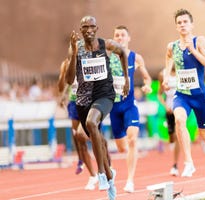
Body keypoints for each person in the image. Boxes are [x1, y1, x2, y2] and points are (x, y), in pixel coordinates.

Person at [64, 16, 129, 200]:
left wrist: (127, 79)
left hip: (104, 95)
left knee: (92, 123)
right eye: (85, 27)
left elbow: (122, 53)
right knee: (97, 139)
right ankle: (110, 177)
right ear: (81, 29)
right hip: (83, 99)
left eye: (92, 27)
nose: (89, 30)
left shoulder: (105, 45)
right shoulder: (75, 47)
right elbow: (69, 80)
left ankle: (101, 173)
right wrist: (74, 54)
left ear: (97, 28)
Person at [163, 8, 205, 178]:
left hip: (200, 96)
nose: (182, 25)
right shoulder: (172, 46)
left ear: (191, 24)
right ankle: (188, 162)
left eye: (185, 22)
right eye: (179, 23)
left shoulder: (199, 41)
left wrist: (193, 51)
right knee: (179, 120)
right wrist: (166, 77)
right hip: (182, 95)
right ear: (176, 27)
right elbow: (168, 60)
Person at [109, 25, 152, 193]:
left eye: (122, 35)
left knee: (132, 139)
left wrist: (147, 86)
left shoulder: (136, 57)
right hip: (114, 108)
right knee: (121, 147)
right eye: (117, 35)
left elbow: (147, 78)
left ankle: (130, 180)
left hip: (129, 105)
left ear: (128, 38)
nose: (120, 38)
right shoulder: (108, 58)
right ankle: (126, 159)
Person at [57, 58, 99, 190]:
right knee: (78, 139)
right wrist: (63, 95)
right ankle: (93, 175)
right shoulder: (66, 63)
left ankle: (105, 167)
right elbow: (63, 85)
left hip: (89, 102)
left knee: (95, 138)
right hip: (74, 103)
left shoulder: (89, 59)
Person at [157, 64, 180, 176]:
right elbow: (159, 94)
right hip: (169, 109)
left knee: (178, 134)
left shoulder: (182, 72)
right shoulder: (163, 74)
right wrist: (165, 106)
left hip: (180, 107)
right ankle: (166, 142)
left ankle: (175, 165)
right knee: (171, 138)